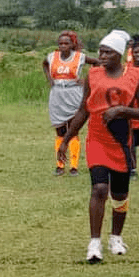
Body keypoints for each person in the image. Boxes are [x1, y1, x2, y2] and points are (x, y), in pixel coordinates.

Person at [58, 29, 139, 263]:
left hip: (121, 141)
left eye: (107, 52)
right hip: (97, 138)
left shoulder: (136, 76)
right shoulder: (93, 75)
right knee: (99, 189)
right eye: (101, 51)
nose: (102, 55)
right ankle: (94, 243)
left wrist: (123, 111)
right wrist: (67, 139)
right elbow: (82, 110)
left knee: (120, 195)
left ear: (118, 54)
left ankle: (116, 237)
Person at [42, 31, 96, 175]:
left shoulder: (80, 57)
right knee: (60, 130)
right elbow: (45, 64)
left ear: (73, 44)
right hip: (57, 93)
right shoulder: (52, 56)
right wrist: (49, 79)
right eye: (60, 43)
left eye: (66, 43)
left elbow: (98, 63)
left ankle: (74, 166)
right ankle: (60, 165)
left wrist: (88, 80)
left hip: (74, 93)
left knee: (73, 129)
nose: (63, 46)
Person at [125, 37, 139, 175]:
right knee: (131, 141)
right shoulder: (126, 69)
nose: (138, 55)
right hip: (132, 109)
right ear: (131, 54)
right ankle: (132, 168)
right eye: (136, 53)